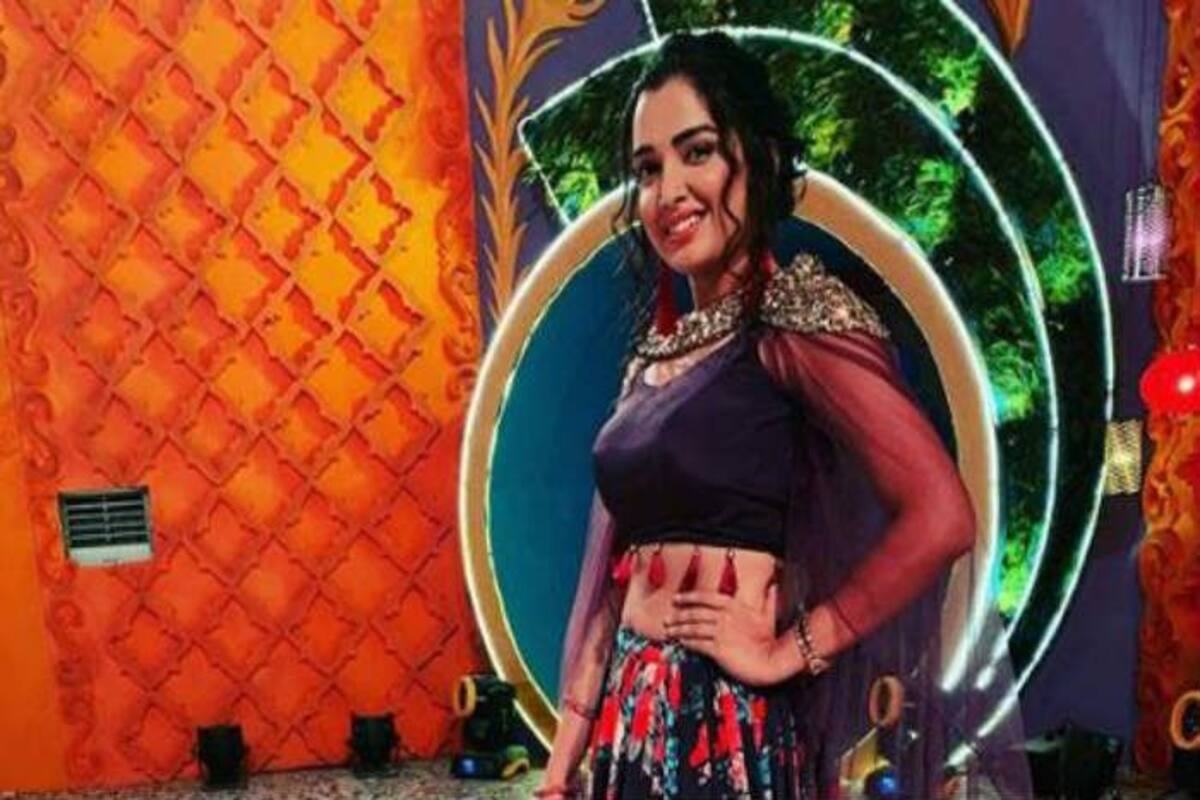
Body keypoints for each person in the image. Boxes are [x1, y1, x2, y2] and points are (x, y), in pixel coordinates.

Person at [533, 31, 1028, 800]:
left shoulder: (795, 322)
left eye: (698, 152)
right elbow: (612, 581)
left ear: (759, 159)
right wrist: (562, 767)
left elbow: (942, 517)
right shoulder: (650, 362)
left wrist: (794, 648)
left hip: (730, 726)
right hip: (630, 721)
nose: (668, 191)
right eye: (648, 168)